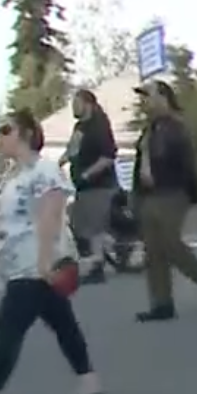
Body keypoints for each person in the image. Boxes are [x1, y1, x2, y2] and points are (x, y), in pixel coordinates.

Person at [0, 111, 104, 394]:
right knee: (62, 322)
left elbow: (50, 213)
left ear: (27, 133)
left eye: (6, 130)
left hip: (33, 263)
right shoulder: (12, 178)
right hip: (23, 263)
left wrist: (44, 260)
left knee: (9, 328)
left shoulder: (43, 170)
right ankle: (88, 380)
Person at [131, 79, 197, 321]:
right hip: (148, 195)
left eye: (148, 96)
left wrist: (190, 192)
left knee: (170, 243)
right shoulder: (149, 130)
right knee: (153, 250)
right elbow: (140, 166)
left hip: (172, 192)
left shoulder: (175, 127)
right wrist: (135, 197)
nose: (144, 102)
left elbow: (184, 164)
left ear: (163, 97)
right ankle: (162, 304)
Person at [64, 89, 119, 283]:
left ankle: (98, 268)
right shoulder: (80, 126)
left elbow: (108, 157)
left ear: (87, 104)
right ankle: (115, 252)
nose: (73, 108)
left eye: (76, 103)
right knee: (82, 227)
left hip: (99, 185)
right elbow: (72, 149)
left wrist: (87, 175)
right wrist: (59, 163)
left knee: (94, 229)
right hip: (83, 187)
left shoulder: (99, 126)